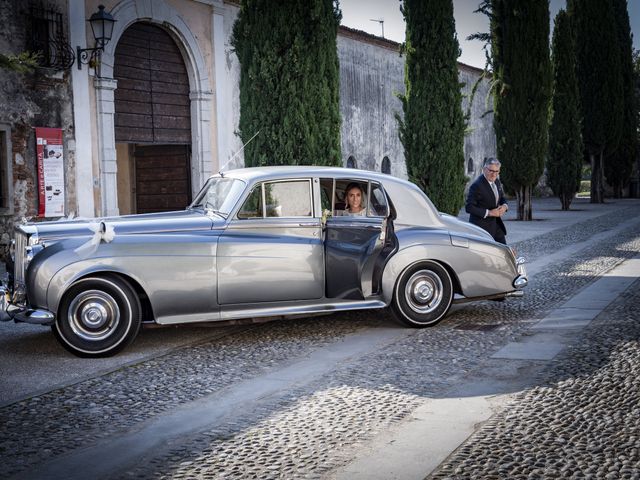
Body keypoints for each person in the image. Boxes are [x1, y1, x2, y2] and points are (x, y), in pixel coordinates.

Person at [465, 157, 508, 244]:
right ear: (484, 169)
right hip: (481, 229)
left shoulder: (497, 182)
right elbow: (469, 207)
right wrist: (490, 213)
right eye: (491, 171)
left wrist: (504, 206)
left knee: (504, 251)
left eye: (496, 171)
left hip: (496, 225)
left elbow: (502, 198)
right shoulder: (476, 185)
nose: (494, 174)